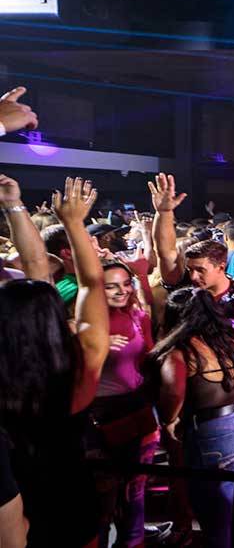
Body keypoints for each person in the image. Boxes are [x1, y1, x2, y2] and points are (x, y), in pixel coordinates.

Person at [0, 175, 109, 547]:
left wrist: (14, 207)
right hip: (70, 499)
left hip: (14, 506)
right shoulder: (79, 365)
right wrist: (74, 224)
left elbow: (35, 272)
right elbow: (91, 284)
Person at [148, 287, 234, 548]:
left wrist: (170, 421)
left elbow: (171, 400)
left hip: (218, 434)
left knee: (215, 515)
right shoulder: (228, 340)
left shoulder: (180, 353)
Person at [149, 174, 234, 403]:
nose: (193, 276)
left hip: (233, 387)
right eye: (190, 269)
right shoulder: (186, 293)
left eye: (200, 270)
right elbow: (165, 253)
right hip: (187, 384)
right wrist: (164, 213)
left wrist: (233, 351)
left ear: (221, 266)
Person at [87, 260, 160, 548]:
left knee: (135, 488)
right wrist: (91, 342)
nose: (122, 291)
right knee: (103, 494)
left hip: (138, 410)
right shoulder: (88, 324)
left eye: (126, 284)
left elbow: (149, 356)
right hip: (101, 415)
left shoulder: (137, 315)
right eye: (112, 286)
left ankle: (134, 541)